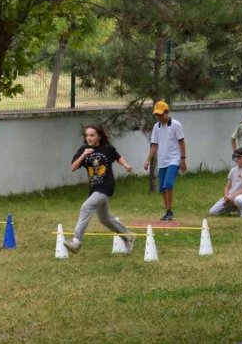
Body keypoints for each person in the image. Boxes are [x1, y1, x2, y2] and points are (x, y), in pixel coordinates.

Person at [65, 124, 135, 254]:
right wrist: (83, 155)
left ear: (99, 136)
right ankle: (128, 236)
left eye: (92, 135)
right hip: (94, 188)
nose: (89, 138)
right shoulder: (83, 149)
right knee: (104, 219)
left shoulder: (107, 148)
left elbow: (117, 156)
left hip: (106, 186)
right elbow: (73, 167)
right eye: (87, 135)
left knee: (86, 207)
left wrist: (126, 165)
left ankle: (76, 241)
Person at [143, 100, 187, 221]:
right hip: (162, 161)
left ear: (167, 112)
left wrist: (183, 160)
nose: (159, 117)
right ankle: (168, 210)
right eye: (157, 114)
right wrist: (148, 160)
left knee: (168, 184)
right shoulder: (156, 127)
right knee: (162, 188)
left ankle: (169, 211)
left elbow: (182, 143)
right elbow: (154, 146)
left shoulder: (176, 125)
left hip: (174, 159)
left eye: (161, 114)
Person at [209, 148, 242, 217]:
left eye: (239, 157)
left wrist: (232, 196)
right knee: (212, 212)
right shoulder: (233, 170)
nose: (236, 159)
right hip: (230, 197)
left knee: (239, 200)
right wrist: (226, 196)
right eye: (235, 156)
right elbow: (227, 186)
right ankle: (234, 208)